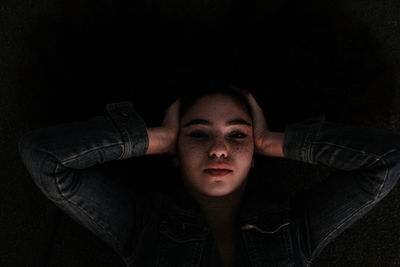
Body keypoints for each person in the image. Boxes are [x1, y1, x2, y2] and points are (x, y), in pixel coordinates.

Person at [18, 85, 400, 267]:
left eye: (237, 135)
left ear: (255, 155)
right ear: (174, 155)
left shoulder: (295, 228)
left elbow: (386, 161)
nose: (219, 149)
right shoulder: (141, 226)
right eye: (198, 134)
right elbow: (46, 157)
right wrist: (154, 137)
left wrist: (275, 141)